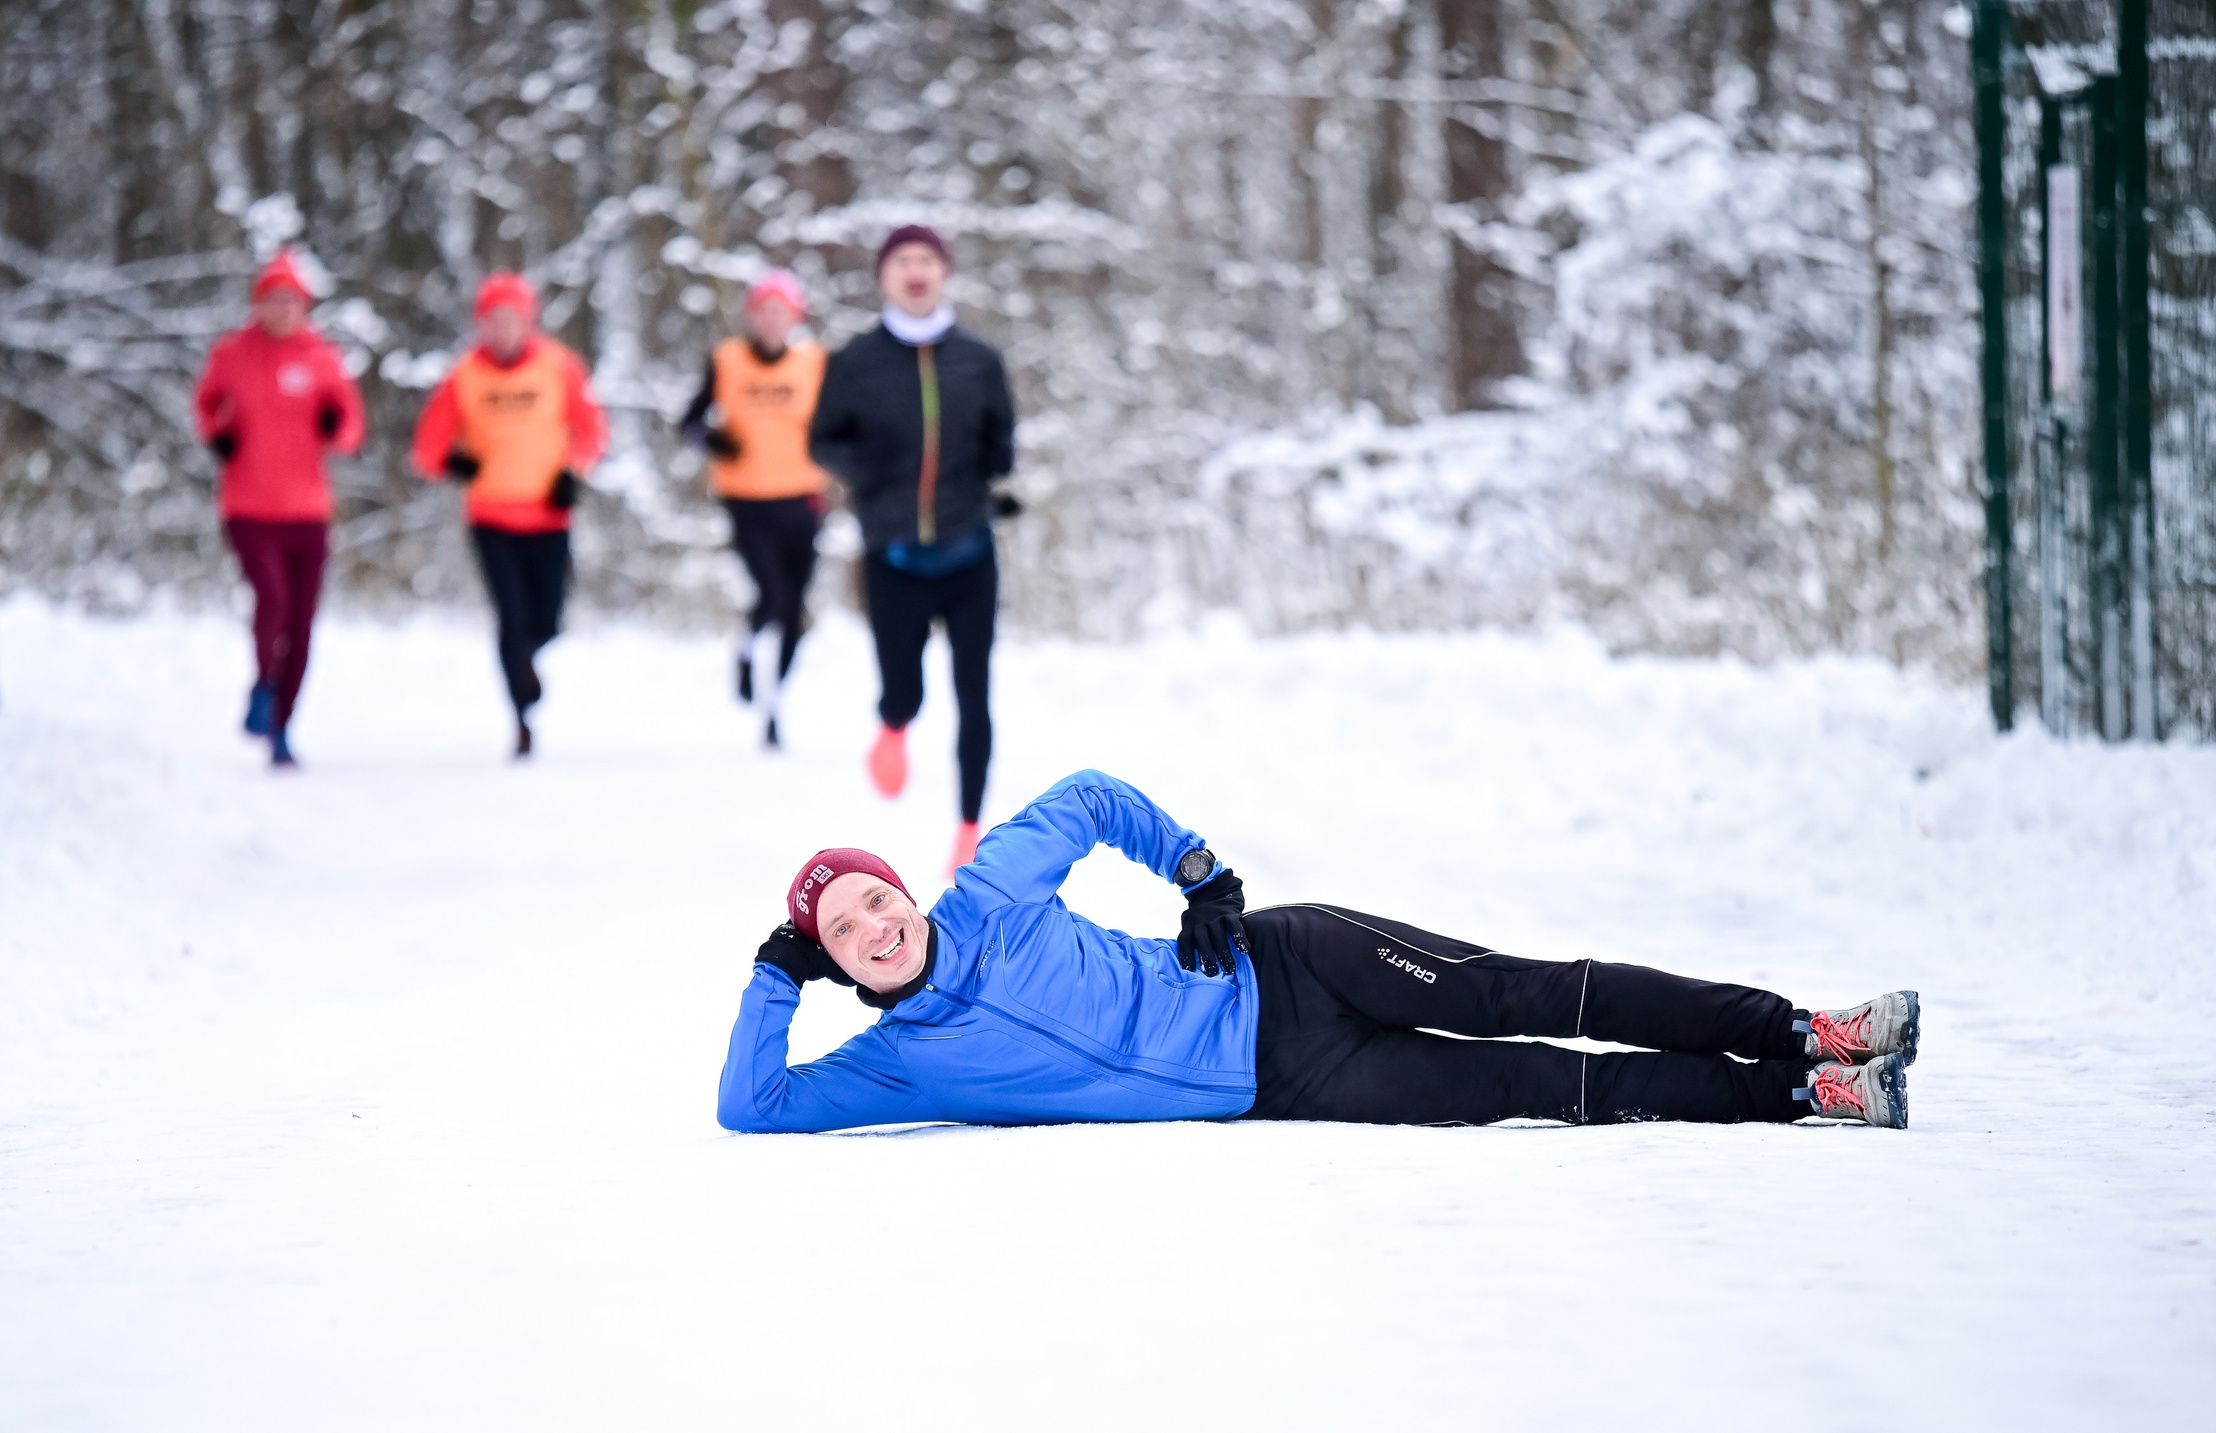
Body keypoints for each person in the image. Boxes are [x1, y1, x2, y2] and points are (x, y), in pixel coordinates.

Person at [719, 770, 1919, 1135]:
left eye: (874, 896)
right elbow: (752, 1106)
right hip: (1282, 1084)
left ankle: (1804, 1026)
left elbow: (1085, 796)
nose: (876, 924)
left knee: (1528, 993)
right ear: (840, 963)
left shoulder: (990, 891)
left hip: (1284, 966)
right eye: (844, 933)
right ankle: (1805, 1093)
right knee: (1536, 1085)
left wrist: (1197, 872)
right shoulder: (896, 1064)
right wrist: (776, 972)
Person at [809, 225, 1018, 873]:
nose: (916, 270)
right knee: (906, 689)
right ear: (884, 276)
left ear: (945, 271)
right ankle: (893, 724)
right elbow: (822, 440)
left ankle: (968, 828)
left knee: (974, 694)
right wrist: (864, 466)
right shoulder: (855, 360)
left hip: (969, 553)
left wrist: (991, 478)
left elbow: (1002, 443)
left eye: (927, 258)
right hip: (894, 554)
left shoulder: (978, 360)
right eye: (902, 260)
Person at [411, 273, 608, 758]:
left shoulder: (558, 366)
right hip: (492, 517)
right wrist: (453, 463)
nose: (501, 330)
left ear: (527, 322)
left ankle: (528, 663)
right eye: (492, 321)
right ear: (480, 325)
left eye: (510, 319)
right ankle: (520, 717)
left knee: (547, 621)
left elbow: (592, 431)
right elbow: (427, 448)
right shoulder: (464, 375)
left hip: (549, 517)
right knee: (510, 617)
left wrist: (572, 472)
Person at [192, 250, 366, 767]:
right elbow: (206, 403)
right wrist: (216, 436)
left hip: (308, 510)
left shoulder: (322, 358)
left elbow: (352, 421)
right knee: (272, 600)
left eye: (290, 301)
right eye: (271, 300)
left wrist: (339, 428)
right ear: (258, 304)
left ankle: (282, 726)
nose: (281, 310)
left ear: (304, 306)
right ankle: (264, 685)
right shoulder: (233, 354)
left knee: (303, 620)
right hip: (247, 505)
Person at [677, 269, 828, 749]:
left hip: (802, 498)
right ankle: (745, 650)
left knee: (795, 608)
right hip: (746, 500)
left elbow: (843, 422)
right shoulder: (727, 361)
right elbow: (688, 423)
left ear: (795, 317)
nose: (772, 320)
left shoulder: (815, 365)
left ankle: (774, 704)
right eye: (764, 310)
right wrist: (714, 440)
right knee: (773, 595)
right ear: (752, 315)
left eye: (781, 311)